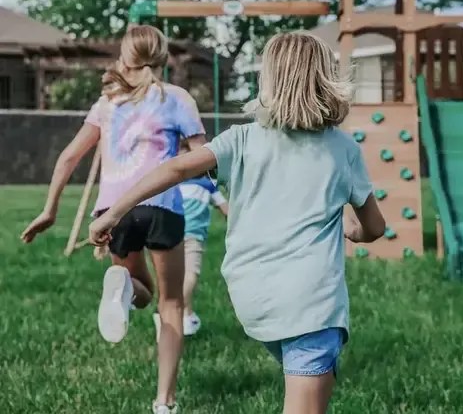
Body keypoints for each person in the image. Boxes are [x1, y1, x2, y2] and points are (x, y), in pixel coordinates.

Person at [89, 31, 386, 414]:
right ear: (327, 80)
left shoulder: (242, 139)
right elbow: (375, 227)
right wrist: (354, 230)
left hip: (253, 299)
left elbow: (177, 167)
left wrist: (113, 212)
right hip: (312, 304)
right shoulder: (343, 148)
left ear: (269, 80)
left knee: (307, 369)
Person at [21, 25, 206, 414]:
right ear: (162, 55)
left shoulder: (107, 103)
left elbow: (69, 157)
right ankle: (164, 403)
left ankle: (122, 286)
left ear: (126, 56)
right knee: (170, 304)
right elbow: (200, 158)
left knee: (139, 287)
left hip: (112, 214)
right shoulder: (177, 99)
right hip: (163, 208)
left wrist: (49, 209)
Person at [153, 141, 229, 341]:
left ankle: (186, 316)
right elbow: (227, 211)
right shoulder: (176, 185)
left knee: (184, 278)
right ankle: (166, 313)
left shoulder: (207, 186)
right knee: (189, 277)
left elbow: (227, 210)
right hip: (182, 236)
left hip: (186, 236)